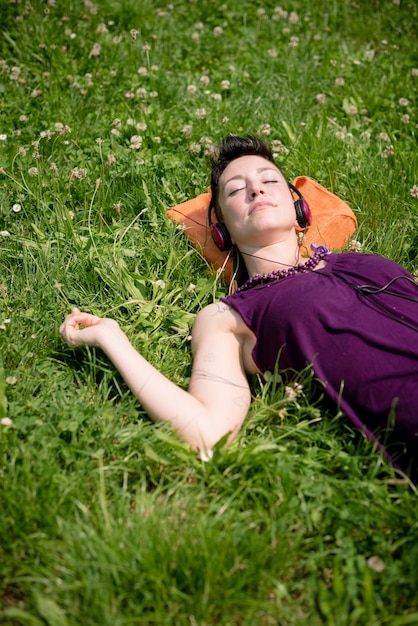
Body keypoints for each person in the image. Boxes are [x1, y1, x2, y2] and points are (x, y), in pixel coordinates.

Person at [60, 135, 418, 480]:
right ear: (220, 229)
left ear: (299, 206)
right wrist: (112, 339)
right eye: (235, 189)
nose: (256, 189)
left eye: (269, 180)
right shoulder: (230, 316)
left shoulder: (366, 261)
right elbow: (208, 434)